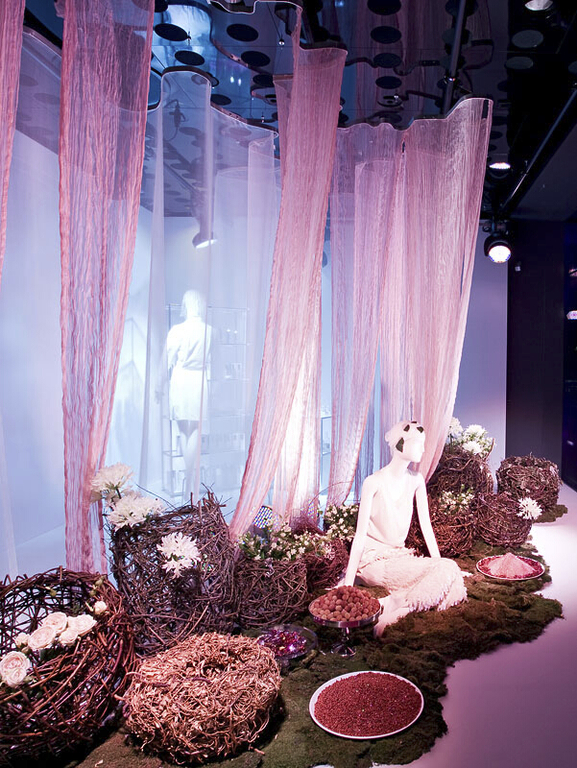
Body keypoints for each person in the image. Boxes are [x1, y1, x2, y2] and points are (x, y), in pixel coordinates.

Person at [344, 420, 467, 637]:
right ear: (401, 444)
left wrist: (438, 563)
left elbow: (426, 526)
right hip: (375, 561)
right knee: (449, 573)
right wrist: (347, 584)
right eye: (418, 443)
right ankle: (402, 605)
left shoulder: (416, 480)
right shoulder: (373, 482)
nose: (423, 449)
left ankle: (398, 605)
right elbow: (360, 536)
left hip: (400, 557)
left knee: (453, 581)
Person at [157, 290, 211, 500]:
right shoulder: (208, 331)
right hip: (198, 381)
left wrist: (159, 384)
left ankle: (188, 480)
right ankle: (190, 480)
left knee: (183, 430)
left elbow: (167, 359)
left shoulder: (178, 330)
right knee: (195, 429)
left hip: (181, 380)